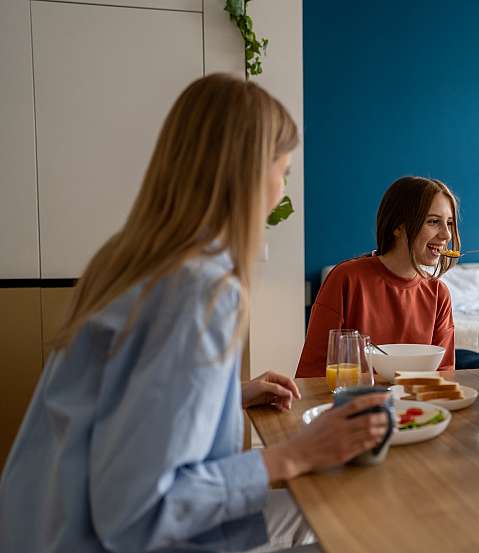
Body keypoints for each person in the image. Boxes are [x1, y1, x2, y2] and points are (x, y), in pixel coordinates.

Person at [0, 74, 390, 553]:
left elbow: (122, 404)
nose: (282, 187)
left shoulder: (128, 261)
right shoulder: (197, 292)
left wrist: (226, 396)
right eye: (282, 170)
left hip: (40, 527)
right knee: (359, 525)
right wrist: (295, 455)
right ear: (247, 174)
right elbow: (135, 514)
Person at [296, 176, 459, 377]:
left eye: (449, 223)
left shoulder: (439, 293)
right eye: (433, 222)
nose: (447, 235)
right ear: (398, 226)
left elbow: (443, 375)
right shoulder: (345, 279)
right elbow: (312, 373)